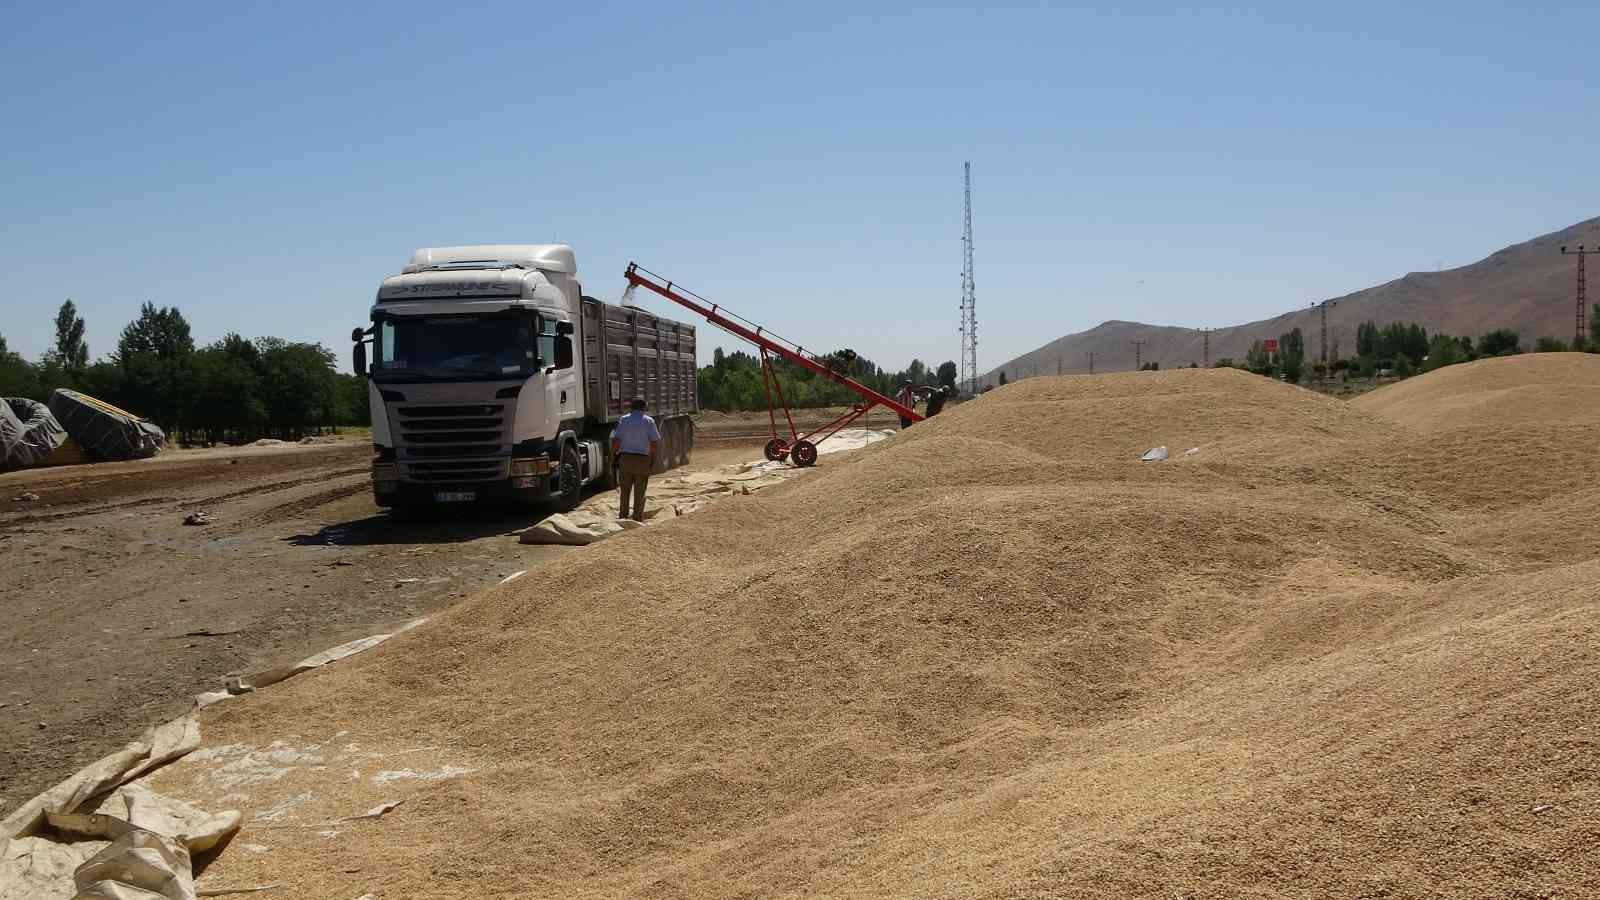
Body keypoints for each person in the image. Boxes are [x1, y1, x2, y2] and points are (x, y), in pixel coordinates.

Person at [610, 397, 659, 521]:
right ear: (644, 408)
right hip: (643, 460)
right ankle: (637, 518)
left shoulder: (624, 420)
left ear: (632, 407)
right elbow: (653, 443)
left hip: (626, 459)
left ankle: (623, 517)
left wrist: (613, 456)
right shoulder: (649, 421)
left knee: (625, 491)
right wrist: (652, 460)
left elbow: (616, 440)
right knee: (640, 492)